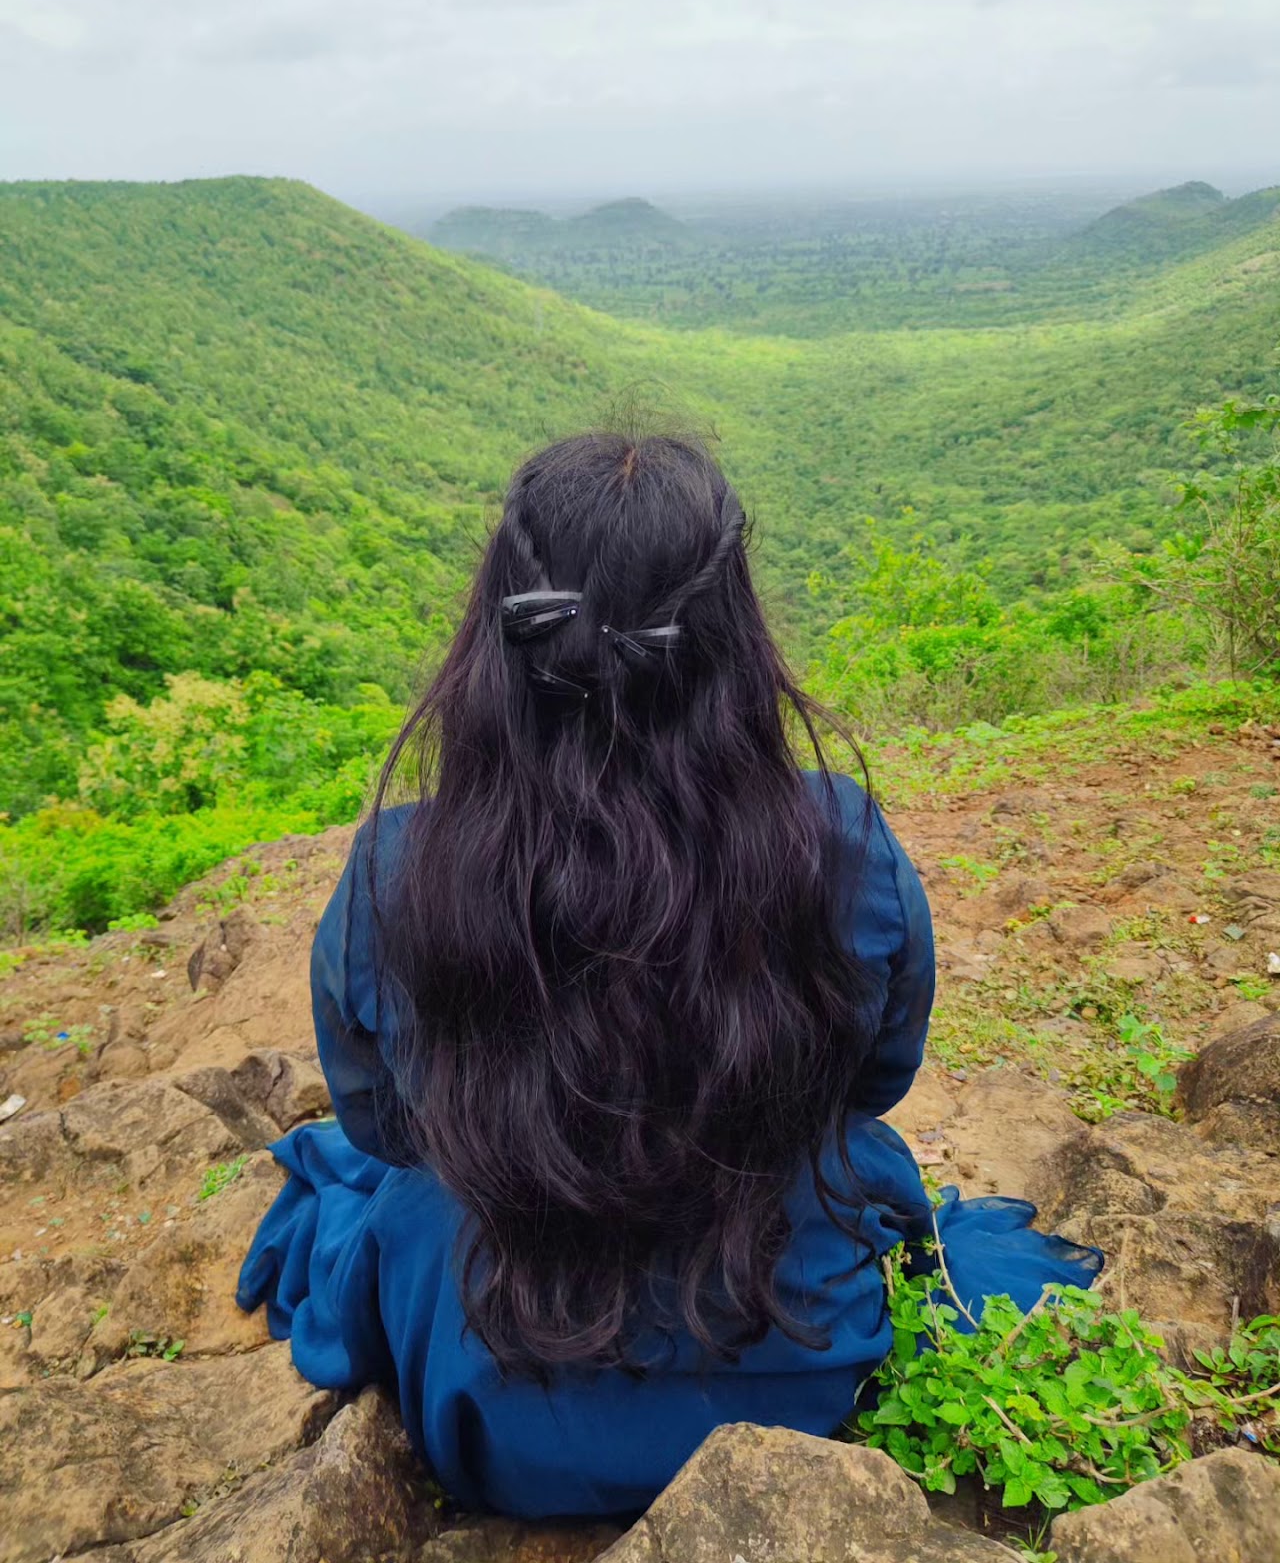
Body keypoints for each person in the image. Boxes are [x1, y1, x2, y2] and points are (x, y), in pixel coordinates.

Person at [238, 431, 1100, 1518]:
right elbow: (871, 1081)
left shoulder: (402, 868)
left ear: (501, 626)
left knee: (384, 1200)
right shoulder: (837, 844)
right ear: (730, 629)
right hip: (790, 1372)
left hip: (491, 1403)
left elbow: (382, 1129)